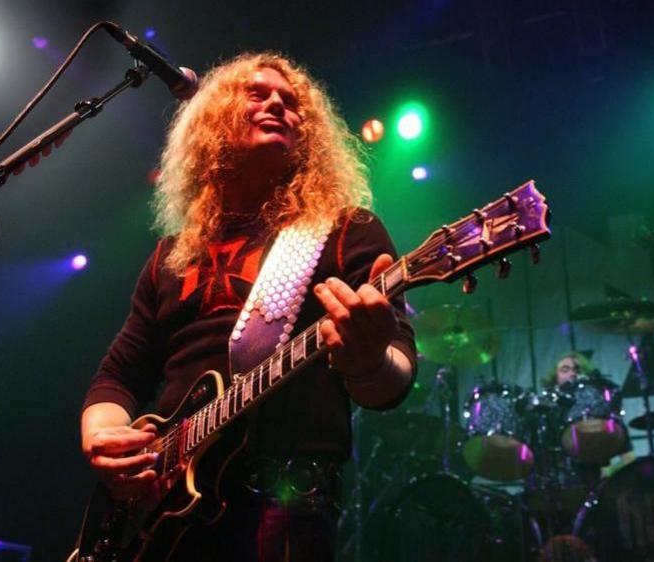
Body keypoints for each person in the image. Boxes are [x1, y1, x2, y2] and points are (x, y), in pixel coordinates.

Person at [79, 52, 417, 562]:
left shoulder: (347, 231)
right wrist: (104, 440)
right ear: (212, 121)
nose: (278, 104)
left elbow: (396, 376)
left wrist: (369, 362)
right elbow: (118, 375)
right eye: (257, 94)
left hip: (282, 509)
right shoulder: (169, 255)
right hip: (162, 516)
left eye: (292, 102)